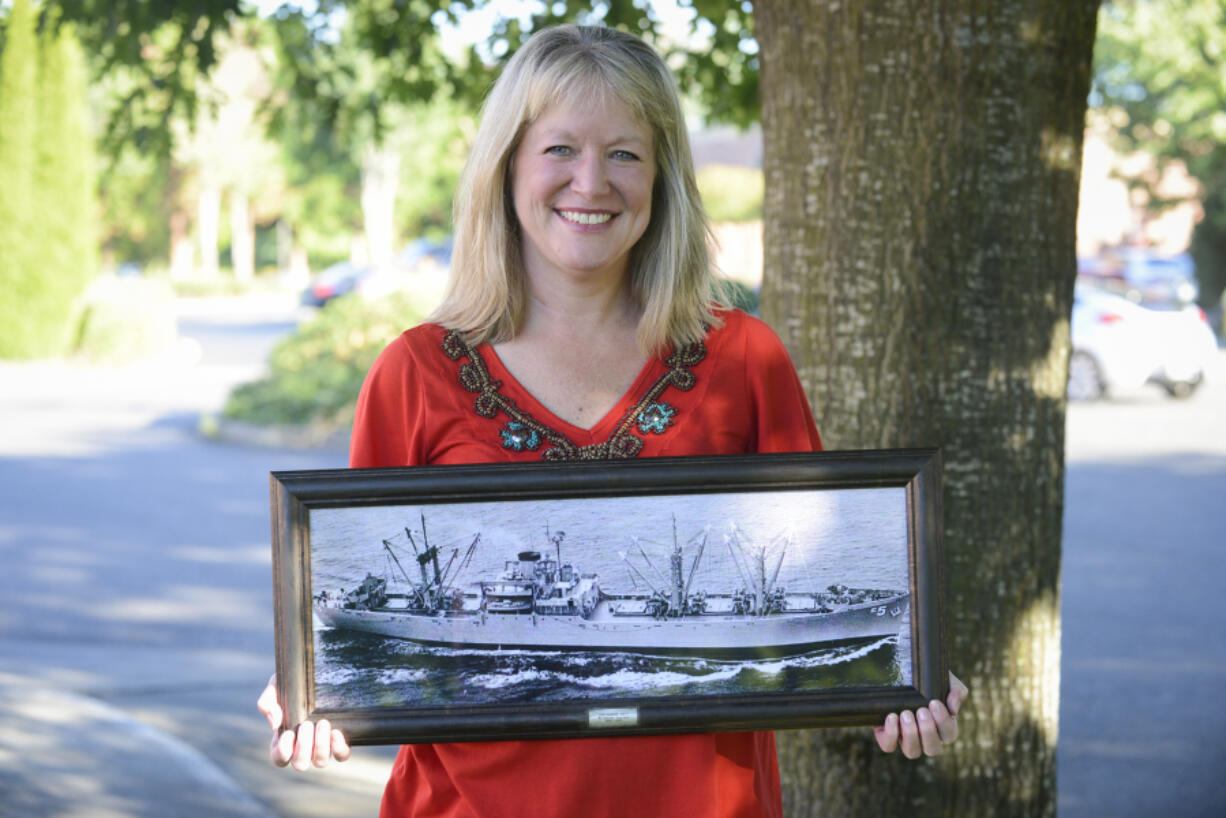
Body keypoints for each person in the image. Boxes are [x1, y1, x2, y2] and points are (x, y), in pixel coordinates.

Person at [258, 23, 968, 817]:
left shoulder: (746, 360)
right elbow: (343, 577)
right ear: (508, 166)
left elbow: (817, 557)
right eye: (559, 149)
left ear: (663, 177)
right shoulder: (415, 373)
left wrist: (902, 674)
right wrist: (313, 682)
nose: (591, 182)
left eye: (625, 153)